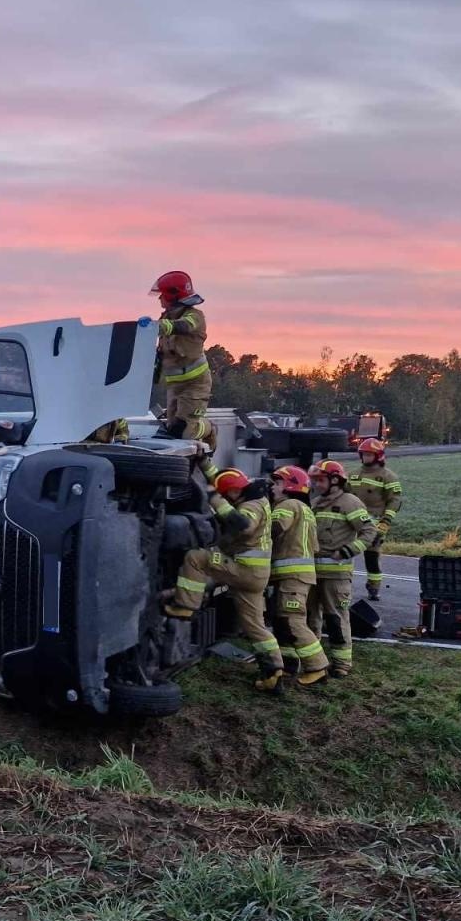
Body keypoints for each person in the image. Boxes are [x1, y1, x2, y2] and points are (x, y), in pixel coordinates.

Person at [164, 465, 283, 691]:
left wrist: (214, 499)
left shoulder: (251, 506)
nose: (227, 499)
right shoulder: (259, 497)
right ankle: (274, 672)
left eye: (228, 496)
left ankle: (185, 606)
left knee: (195, 558)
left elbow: (243, 525)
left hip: (244, 570)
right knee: (255, 627)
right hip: (255, 576)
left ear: (236, 493)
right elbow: (224, 481)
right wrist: (203, 462)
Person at [308, 459, 379, 677]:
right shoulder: (316, 503)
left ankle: (341, 664)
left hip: (336, 574)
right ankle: (313, 659)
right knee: (310, 618)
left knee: (336, 617)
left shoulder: (350, 502)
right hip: (312, 573)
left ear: (336, 480)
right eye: (315, 480)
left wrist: (348, 550)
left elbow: (369, 532)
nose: (317, 485)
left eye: (320, 480)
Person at [267, 464, 329, 687]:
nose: (273, 487)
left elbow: (274, 528)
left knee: (293, 621)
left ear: (290, 485)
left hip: (292, 575)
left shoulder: (287, 505)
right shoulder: (306, 510)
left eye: (277, 483)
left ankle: (318, 667)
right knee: (282, 621)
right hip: (297, 576)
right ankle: (288, 665)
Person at [151, 270, 212, 444]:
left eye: (162, 295)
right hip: (175, 385)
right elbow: (162, 352)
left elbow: (184, 326)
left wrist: (161, 326)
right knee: (173, 429)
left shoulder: (195, 316)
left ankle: (208, 429)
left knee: (184, 431)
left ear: (173, 296)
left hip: (195, 384)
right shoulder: (166, 317)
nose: (159, 299)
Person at [349, 437, 402, 602]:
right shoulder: (352, 474)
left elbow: (395, 500)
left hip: (375, 522)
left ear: (378, 456)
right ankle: (342, 584)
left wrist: (385, 521)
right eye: (364, 454)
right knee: (345, 552)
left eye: (369, 455)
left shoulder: (388, 477)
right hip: (351, 521)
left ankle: (374, 586)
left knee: (371, 557)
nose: (366, 458)